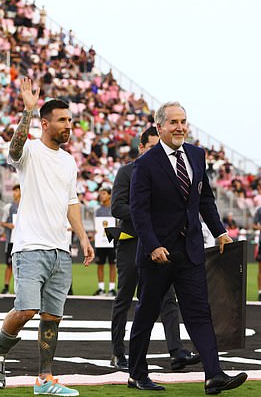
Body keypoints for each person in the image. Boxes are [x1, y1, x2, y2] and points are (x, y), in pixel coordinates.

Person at [0, 78, 94, 396]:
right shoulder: (30, 150)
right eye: (62, 120)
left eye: (70, 120)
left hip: (60, 249)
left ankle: (44, 380)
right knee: (26, 309)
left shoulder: (69, 161)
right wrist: (26, 112)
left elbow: (72, 202)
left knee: (52, 317)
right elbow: (13, 149)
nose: (68, 126)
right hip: (30, 246)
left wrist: (82, 236)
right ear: (45, 123)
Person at [127, 102, 247, 393]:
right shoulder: (145, 164)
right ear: (160, 127)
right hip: (158, 255)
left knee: (199, 313)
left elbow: (204, 199)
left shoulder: (196, 155)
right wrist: (153, 245)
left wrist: (220, 232)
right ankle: (136, 373)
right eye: (173, 122)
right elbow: (138, 210)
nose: (180, 127)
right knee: (147, 312)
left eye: (183, 121)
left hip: (191, 250)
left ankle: (214, 374)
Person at [110, 126, 200, 372]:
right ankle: (118, 352)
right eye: (150, 147)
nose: (155, 152)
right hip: (132, 241)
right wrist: (146, 215)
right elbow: (117, 207)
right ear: (141, 148)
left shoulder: (167, 172)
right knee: (125, 296)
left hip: (160, 243)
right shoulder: (127, 172)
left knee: (168, 297)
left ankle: (176, 351)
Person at [93, 186, 117, 296]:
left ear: (110, 195)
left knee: (113, 264)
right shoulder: (98, 211)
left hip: (112, 241)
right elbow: (96, 226)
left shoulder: (114, 209)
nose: (101, 196)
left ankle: (112, 289)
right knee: (100, 264)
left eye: (104, 193)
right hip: (100, 241)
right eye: (100, 193)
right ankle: (101, 288)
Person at [0, 185, 21, 294]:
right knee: (9, 265)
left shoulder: (28, 205)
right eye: (15, 190)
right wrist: (9, 225)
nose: (15, 193)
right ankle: (6, 286)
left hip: (24, 241)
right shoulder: (8, 207)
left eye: (17, 190)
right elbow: (2, 222)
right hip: (12, 240)